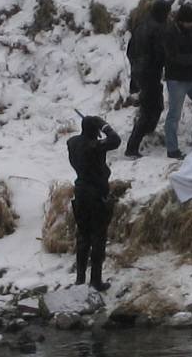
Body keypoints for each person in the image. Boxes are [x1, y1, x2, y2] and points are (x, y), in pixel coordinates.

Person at [67, 114, 121, 291]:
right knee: (98, 237)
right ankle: (96, 280)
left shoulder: (72, 143)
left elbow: (80, 139)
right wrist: (104, 126)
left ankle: (80, 280)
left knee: (83, 236)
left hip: (80, 192)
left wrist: (93, 126)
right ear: (95, 131)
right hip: (96, 195)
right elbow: (115, 140)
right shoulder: (95, 146)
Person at [163, 4, 192, 159]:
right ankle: (172, 149)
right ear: (181, 21)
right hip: (176, 79)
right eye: (189, 22)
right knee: (174, 114)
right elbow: (173, 57)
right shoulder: (170, 33)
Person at [125, 0, 171, 157]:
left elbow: (129, 50)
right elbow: (161, 54)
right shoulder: (158, 29)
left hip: (138, 72)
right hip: (150, 74)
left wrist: (135, 67)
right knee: (149, 109)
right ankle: (132, 147)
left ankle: (147, 134)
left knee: (153, 106)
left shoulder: (141, 25)